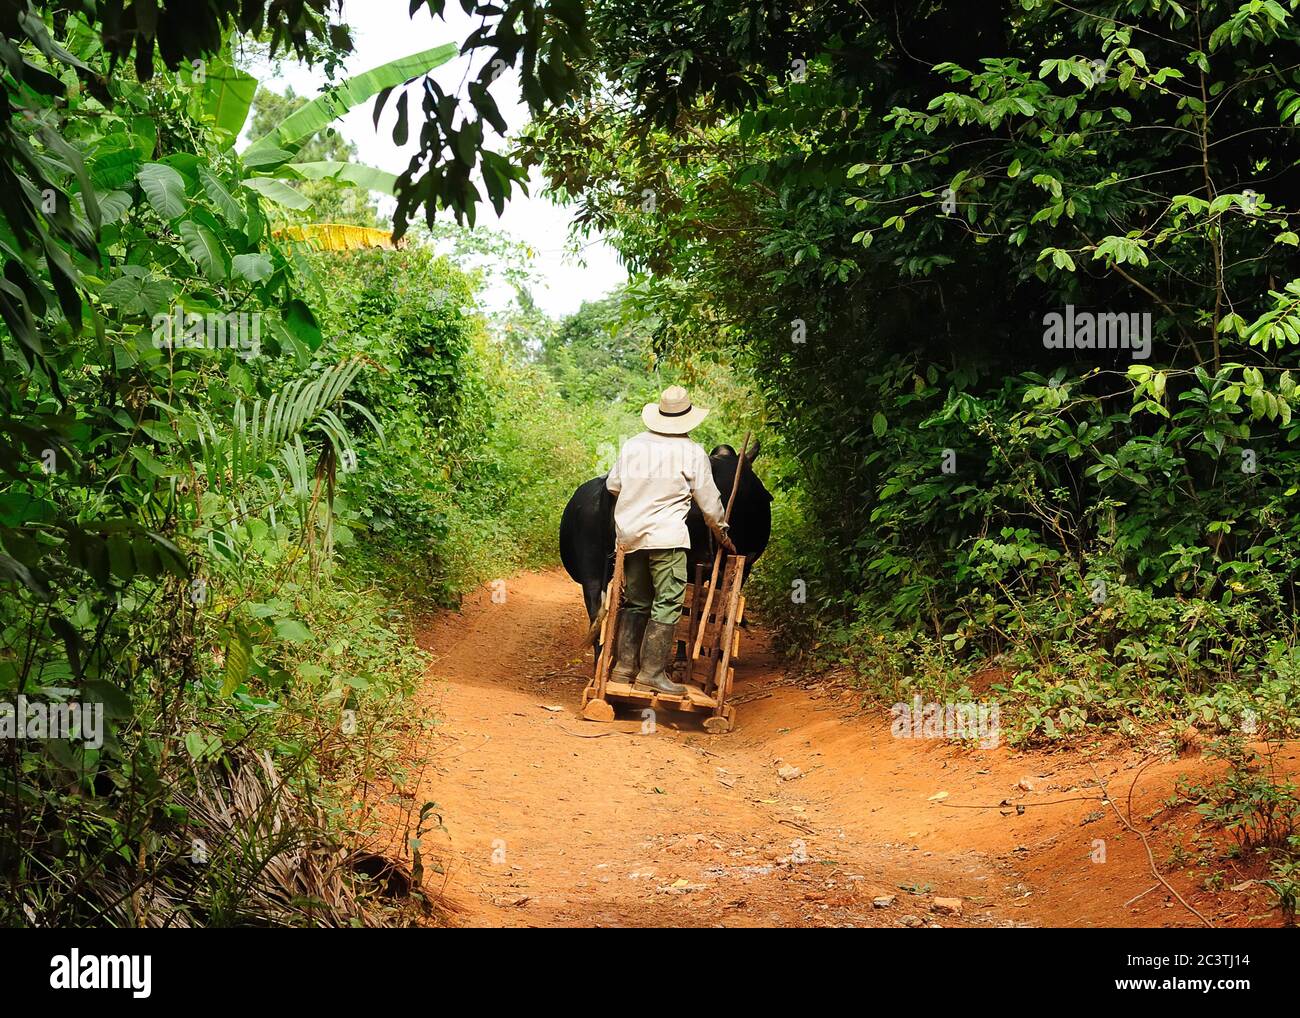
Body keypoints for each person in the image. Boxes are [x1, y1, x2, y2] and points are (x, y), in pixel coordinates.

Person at [605, 385, 735, 695]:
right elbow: (709, 505)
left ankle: (623, 671)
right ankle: (651, 673)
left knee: (636, 602)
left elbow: (612, 485)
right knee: (667, 603)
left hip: (631, 538)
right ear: (687, 418)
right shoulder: (692, 452)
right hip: (668, 539)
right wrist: (722, 532)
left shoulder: (633, 445)